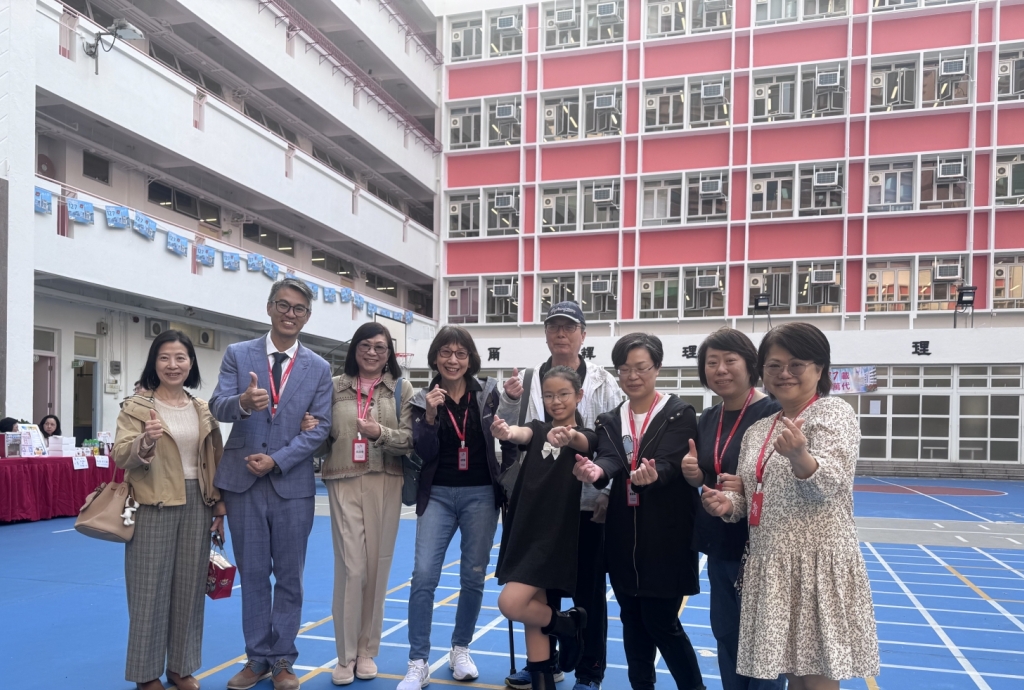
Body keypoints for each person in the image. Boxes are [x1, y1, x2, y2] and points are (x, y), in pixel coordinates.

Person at [702, 323, 880, 690]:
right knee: (793, 674)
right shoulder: (760, 429)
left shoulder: (832, 413)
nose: (784, 374)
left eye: (796, 364)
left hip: (814, 565)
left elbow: (830, 484)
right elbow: (755, 494)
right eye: (774, 365)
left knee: (815, 675)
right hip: (770, 565)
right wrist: (728, 504)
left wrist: (801, 456)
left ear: (819, 368)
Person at [209, 278, 333, 690]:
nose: (289, 314)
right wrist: (243, 403)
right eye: (283, 305)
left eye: (298, 308)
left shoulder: (319, 368)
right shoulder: (238, 354)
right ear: (269, 307)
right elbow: (217, 406)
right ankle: (257, 657)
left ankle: (283, 659)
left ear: (307, 317)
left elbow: (321, 428)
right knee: (254, 574)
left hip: (291, 484)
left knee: (291, 577)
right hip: (242, 482)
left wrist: (277, 460)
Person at [498, 301, 622, 690]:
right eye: (554, 327)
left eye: (569, 327)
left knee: (588, 591)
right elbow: (518, 432)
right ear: (546, 333)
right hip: (538, 505)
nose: (561, 334)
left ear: (583, 335)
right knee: (541, 590)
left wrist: (606, 492)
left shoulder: (604, 382)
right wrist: (509, 405)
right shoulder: (529, 378)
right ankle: (545, 664)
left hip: (586, 504)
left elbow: (612, 441)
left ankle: (589, 670)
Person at [574, 333, 704, 690]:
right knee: (631, 620)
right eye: (625, 369)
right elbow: (610, 457)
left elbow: (671, 460)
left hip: (666, 537)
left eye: (641, 367)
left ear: (657, 368)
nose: (632, 376)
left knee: (661, 622)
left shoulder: (678, 413)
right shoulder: (610, 419)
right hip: (622, 537)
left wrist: (654, 474)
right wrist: (596, 472)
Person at [398, 326, 515, 690]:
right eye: (446, 353)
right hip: (437, 495)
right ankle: (418, 661)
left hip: (481, 494)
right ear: (435, 357)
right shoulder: (422, 399)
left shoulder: (489, 393)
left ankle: (460, 649)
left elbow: (508, 434)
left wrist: (511, 402)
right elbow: (424, 451)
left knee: (473, 576)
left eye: (460, 353)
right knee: (423, 576)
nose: (453, 360)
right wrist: (431, 416)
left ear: (470, 359)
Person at [112, 330, 225, 690]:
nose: (172, 365)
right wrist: (145, 441)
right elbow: (120, 454)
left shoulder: (202, 408)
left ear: (191, 363)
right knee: (149, 589)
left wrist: (219, 507)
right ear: (154, 363)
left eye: (180, 358)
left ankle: (181, 667)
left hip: (198, 503)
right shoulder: (137, 407)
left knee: (190, 589)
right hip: (153, 502)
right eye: (164, 358)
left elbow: (215, 459)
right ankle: (146, 674)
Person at [682, 328, 783, 690]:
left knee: (764, 642)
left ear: (750, 364)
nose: (720, 369)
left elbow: (785, 477)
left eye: (729, 360)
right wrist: (694, 475)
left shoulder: (773, 412)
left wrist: (751, 486)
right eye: (712, 362)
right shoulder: (710, 417)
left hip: (761, 547)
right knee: (727, 634)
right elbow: (710, 471)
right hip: (720, 542)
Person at [492, 366, 597, 690]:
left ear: (579, 396)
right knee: (533, 607)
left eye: (564, 394)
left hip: (552, 534)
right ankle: (542, 679)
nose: (556, 401)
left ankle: (567, 624)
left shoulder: (587, 436)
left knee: (512, 603)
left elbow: (582, 441)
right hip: (523, 526)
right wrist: (506, 432)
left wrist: (569, 436)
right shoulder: (537, 429)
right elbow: (520, 434)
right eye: (549, 395)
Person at [321, 322, 414, 685]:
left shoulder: (401, 389)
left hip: (387, 480)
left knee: (378, 568)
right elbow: (320, 440)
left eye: (380, 347)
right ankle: (345, 655)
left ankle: (366, 651)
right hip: (343, 477)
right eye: (365, 345)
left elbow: (409, 441)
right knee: (352, 567)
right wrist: (308, 426)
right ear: (354, 348)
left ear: (389, 353)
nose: (372, 352)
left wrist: (380, 433)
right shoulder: (332, 387)